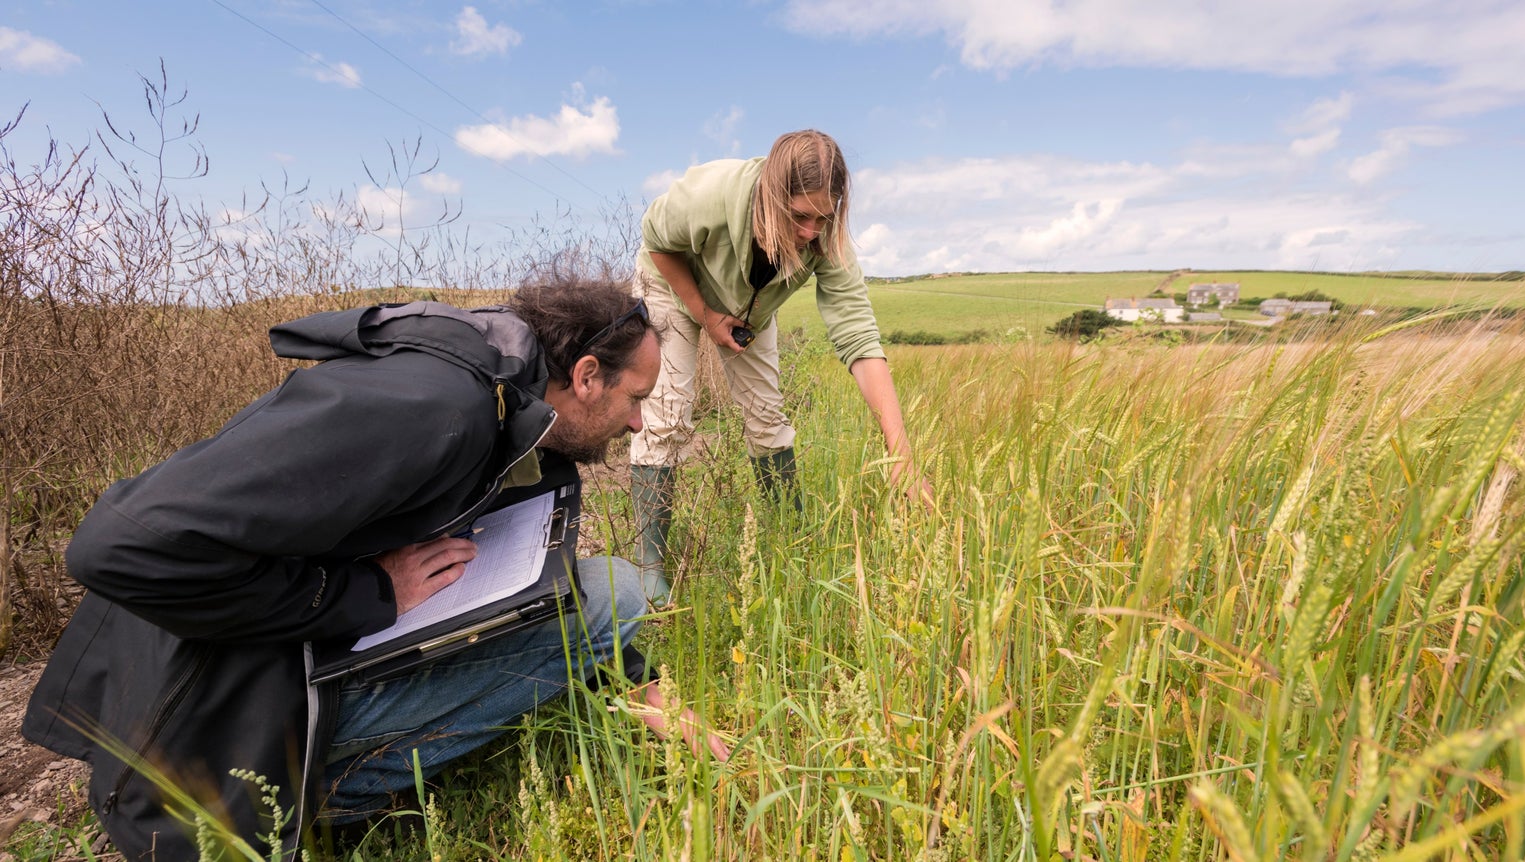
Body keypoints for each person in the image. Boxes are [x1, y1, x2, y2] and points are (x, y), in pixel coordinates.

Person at [23, 275, 727, 861]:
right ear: (584, 375)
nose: (638, 424)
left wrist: (641, 685)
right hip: (213, 744)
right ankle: (322, 798)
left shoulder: (492, 383)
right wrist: (366, 592)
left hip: (262, 675)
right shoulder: (436, 409)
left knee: (604, 595)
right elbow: (113, 547)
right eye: (636, 400)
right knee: (618, 592)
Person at [630, 129, 934, 601]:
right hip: (673, 287)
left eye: (822, 217)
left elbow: (859, 336)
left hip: (747, 310)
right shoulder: (709, 195)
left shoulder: (825, 236)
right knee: (668, 415)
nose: (811, 232)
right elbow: (656, 241)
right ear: (771, 196)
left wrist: (901, 454)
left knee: (767, 419)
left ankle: (790, 544)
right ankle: (650, 565)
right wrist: (704, 314)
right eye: (798, 217)